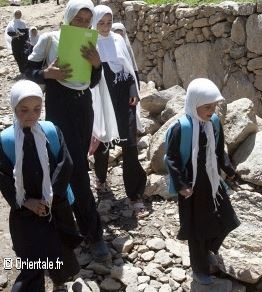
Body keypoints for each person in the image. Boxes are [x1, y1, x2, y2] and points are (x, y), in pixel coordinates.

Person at [24, 0, 109, 261]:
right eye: (78, 20)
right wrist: (47, 74)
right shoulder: (50, 39)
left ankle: (66, 226)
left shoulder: (89, 42)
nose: (83, 24)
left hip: (84, 110)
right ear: (68, 18)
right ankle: (93, 234)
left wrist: (97, 65)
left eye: (87, 20)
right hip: (60, 109)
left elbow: (91, 82)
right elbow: (26, 72)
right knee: (75, 170)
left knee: (75, 166)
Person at [0, 80, 81, 292]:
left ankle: (59, 281)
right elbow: (4, 177)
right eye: (24, 110)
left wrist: (49, 197)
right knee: (31, 256)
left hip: (54, 206)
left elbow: (65, 164)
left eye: (37, 109)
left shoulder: (51, 131)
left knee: (59, 248)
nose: (31, 115)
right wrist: (26, 202)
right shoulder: (6, 141)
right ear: (14, 108)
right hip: (25, 211)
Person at [165, 78, 240, 285]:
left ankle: (209, 249)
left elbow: (218, 150)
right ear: (194, 103)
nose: (212, 110)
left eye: (214, 106)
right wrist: (181, 185)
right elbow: (172, 159)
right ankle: (199, 268)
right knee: (197, 229)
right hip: (191, 185)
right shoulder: (182, 128)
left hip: (212, 180)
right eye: (207, 106)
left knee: (227, 219)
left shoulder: (213, 122)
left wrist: (229, 171)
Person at [90, 5, 148, 217]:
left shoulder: (118, 40)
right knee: (103, 146)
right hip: (102, 102)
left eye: (108, 22)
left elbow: (128, 69)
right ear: (94, 23)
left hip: (125, 101)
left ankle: (135, 195)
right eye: (101, 23)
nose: (105, 27)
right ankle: (102, 180)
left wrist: (133, 90)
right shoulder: (89, 44)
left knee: (130, 146)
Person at [111, 22, 140, 86]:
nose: (119, 37)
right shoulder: (109, 48)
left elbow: (132, 65)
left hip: (129, 77)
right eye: (116, 34)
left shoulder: (127, 47)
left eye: (121, 34)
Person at [5, 9, 29, 74]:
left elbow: (27, 33)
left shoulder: (23, 23)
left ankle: (26, 71)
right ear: (14, 14)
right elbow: (9, 32)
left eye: (19, 14)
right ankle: (22, 71)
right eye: (17, 14)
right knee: (17, 56)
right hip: (15, 43)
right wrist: (16, 34)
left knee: (24, 56)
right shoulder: (11, 23)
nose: (18, 15)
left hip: (23, 43)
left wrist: (27, 40)